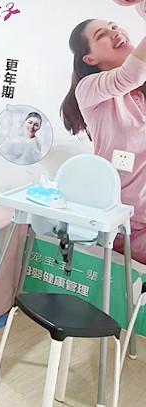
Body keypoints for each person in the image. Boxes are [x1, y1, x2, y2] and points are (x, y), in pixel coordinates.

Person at [60, 19, 146, 262]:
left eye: (114, 26)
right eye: (101, 35)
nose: (114, 32)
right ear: (90, 59)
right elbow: (130, 75)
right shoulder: (88, 90)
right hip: (124, 226)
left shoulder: (140, 93)